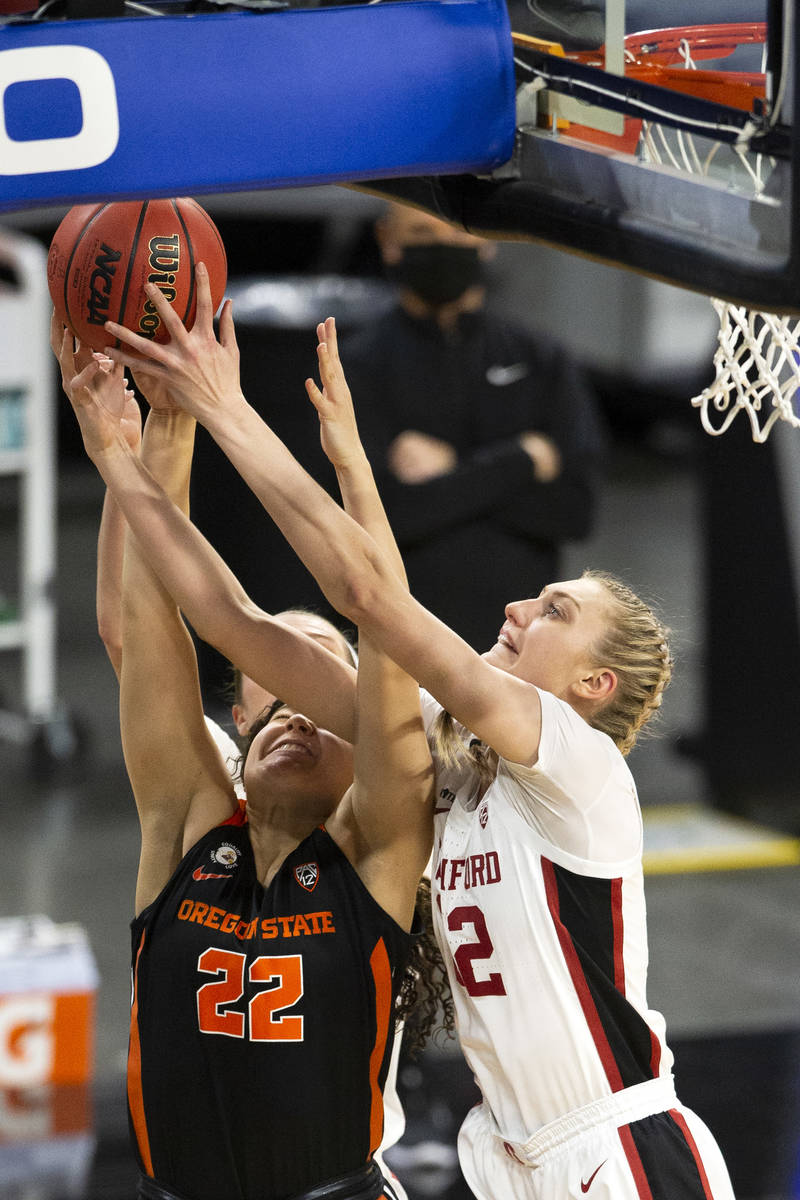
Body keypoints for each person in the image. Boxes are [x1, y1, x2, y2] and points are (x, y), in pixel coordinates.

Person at [101, 267, 736, 1200]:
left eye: (555, 610)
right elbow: (232, 621)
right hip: (510, 1155)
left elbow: (372, 602)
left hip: (617, 1142)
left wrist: (230, 407)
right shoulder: (450, 756)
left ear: (594, 684)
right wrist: (138, 446)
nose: (521, 604)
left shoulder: (578, 764)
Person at [55, 321, 440, 1200]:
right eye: (276, 687)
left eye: (321, 686)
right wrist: (163, 428)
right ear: (240, 711)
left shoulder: (380, 849)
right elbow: (148, 628)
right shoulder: (190, 821)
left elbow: (383, 619)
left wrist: (350, 469)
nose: (296, 712)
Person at [341, 202, 605, 650]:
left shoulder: (541, 359)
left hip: (520, 649)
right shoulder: (355, 365)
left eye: (458, 233)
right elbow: (382, 516)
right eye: (422, 234)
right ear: (388, 241)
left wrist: (452, 470)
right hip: (400, 642)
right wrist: (522, 460)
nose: (443, 248)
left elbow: (574, 510)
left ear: (487, 238)